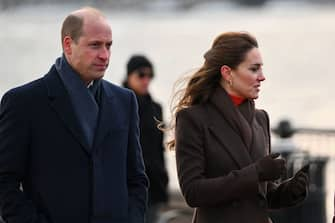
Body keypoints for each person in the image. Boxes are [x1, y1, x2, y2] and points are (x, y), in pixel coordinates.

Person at [0, 7, 148, 223]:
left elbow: (136, 179)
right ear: (68, 45)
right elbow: (5, 182)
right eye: (95, 45)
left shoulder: (125, 101)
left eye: (109, 45)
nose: (104, 55)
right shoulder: (23, 102)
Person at [169, 32, 309, 223]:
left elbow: (260, 195)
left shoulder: (261, 119)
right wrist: (257, 172)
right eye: (254, 69)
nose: (262, 77)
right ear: (227, 73)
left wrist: (289, 191)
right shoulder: (192, 119)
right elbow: (193, 192)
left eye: (261, 69)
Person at [123, 55, 169, 223]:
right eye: (141, 75)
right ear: (129, 75)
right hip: (126, 185)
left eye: (150, 75)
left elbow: (159, 148)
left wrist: (164, 181)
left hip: (153, 183)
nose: (146, 80)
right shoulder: (117, 103)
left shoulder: (156, 108)